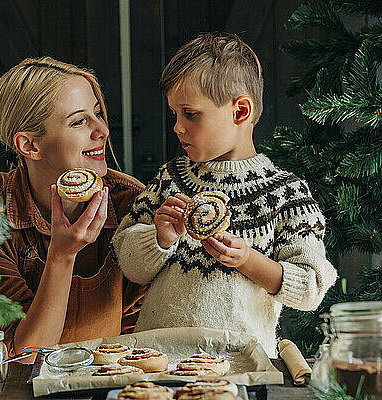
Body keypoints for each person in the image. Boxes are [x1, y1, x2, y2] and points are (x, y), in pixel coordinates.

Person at [112, 32, 337, 357]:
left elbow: (310, 288)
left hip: (239, 367)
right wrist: (159, 239)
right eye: (175, 114)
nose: (177, 126)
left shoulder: (286, 194)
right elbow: (127, 262)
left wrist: (248, 260)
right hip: (158, 361)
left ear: (240, 112)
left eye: (190, 113)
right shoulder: (169, 179)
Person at [0, 57, 146, 360]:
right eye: (79, 121)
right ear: (29, 146)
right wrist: (62, 255)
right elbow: (23, 355)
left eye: (97, 113)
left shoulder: (129, 202)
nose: (102, 130)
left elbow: (140, 335)